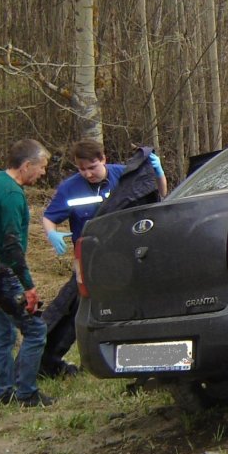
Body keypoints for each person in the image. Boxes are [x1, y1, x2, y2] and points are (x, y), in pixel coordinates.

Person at [38, 140, 167, 378]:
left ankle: (141, 361)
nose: (88, 173)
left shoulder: (125, 177)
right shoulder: (70, 188)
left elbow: (160, 195)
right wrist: (52, 233)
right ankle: (53, 360)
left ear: (104, 159)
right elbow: (49, 218)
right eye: (82, 169)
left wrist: (158, 173)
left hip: (126, 257)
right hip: (89, 259)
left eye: (93, 167)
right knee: (76, 309)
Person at [0, 139, 53, 407]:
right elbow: (12, 244)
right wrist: (28, 286)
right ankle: (27, 393)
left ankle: (3, 391)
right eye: (41, 167)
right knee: (36, 328)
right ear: (27, 165)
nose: (43, 173)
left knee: (4, 331)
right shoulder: (12, 195)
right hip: (1, 273)